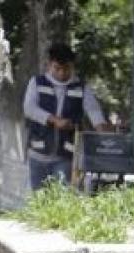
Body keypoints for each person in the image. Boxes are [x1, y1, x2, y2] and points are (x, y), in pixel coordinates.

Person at [23, 42, 112, 190]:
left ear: (72, 67)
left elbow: (94, 111)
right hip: (37, 155)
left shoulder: (82, 88)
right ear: (49, 65)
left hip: (66, 157)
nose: (62, 73)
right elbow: (29, 108)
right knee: (37, 198)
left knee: (62, 198)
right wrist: (54, 120)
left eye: (66, 69)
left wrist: (101, 128)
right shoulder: (37, 83)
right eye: (57, 68)